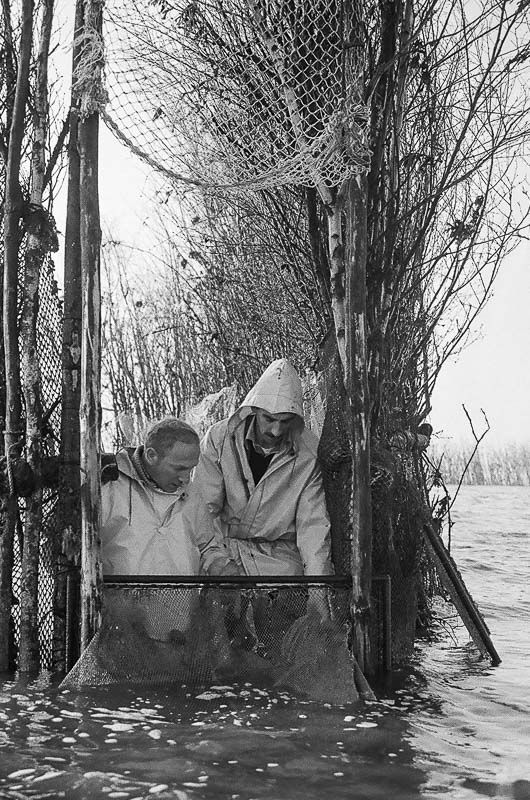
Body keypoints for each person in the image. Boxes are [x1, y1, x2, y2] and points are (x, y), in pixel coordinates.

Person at [193, 359, 334, 582]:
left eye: (285, 421)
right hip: (226, 554)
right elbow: (203, 511)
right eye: (269, 419)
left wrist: (318, 590)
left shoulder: (309, 454)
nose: (276, 431)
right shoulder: (219, 440)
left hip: (281, 564)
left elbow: (313, 528)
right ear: (254, 410)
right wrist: (217, 561)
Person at [100, 416, 240, 578]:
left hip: (182, 601)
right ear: (151, 456)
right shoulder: (108, 485)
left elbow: (208, 547)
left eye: (190, 469)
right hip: (120, 601)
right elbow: (83, 551)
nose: (186, 478)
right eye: (179, 468)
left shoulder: (191, 492)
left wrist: (221, 565)